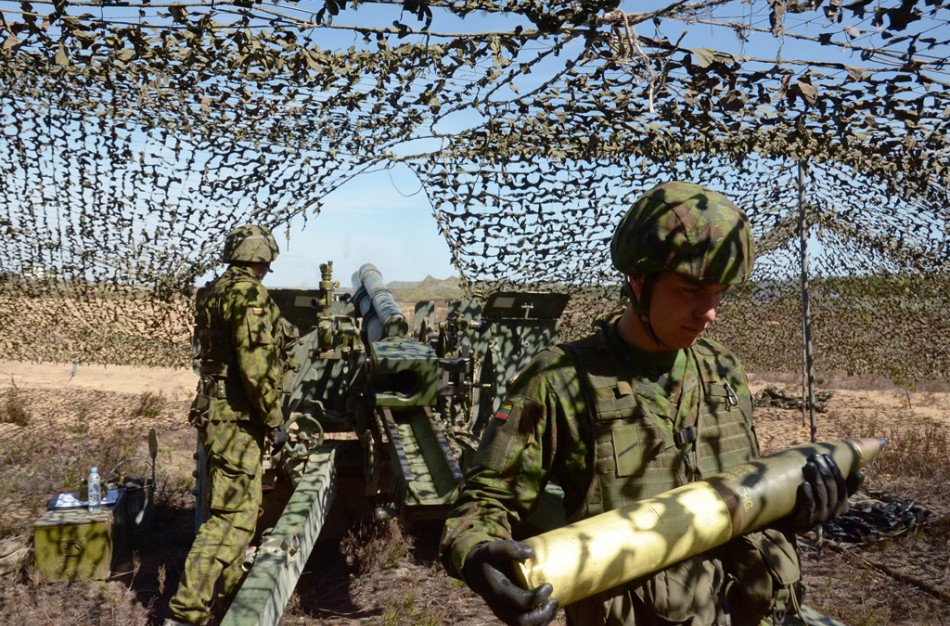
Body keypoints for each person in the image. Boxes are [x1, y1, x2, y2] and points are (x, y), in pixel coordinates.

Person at [439, 181, 861, 626]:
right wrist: (477, 559)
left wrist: (800, 507)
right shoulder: (561, 381)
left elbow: (744, 494)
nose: (710, 311)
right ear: (638, 282)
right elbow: (482, 505)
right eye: (691, 290)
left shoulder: (722, 369)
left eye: (719, 292)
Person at [165, 224, 296, 626]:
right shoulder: (248, 294)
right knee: (234, 516)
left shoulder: (214, 291)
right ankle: (187, 611)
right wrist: (275, 417)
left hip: (216, 413)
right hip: (237, 417)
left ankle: (230, 587)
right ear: (263, 258)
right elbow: (254, 365)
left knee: (229, 503)